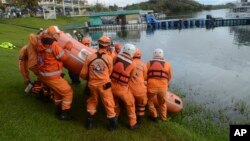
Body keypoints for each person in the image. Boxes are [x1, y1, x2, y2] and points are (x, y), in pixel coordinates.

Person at [80, 36, 117, 131]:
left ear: (98, 44)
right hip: (105, 85)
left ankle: (89, 123)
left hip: (92, 84)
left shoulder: (90, 57)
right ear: (108, 46)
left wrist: (91, 78)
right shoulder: (109, 58)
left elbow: (83, 74)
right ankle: (112, 125)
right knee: (108, 102)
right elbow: (110, 72)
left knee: (92, 101)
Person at [37, 26, 73, 120]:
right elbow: (64, 57)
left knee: (58, 92)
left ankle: (58, 110)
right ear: (54, 35)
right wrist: (68, 49)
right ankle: (65, 114)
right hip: (52, 76)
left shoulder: (40, 42)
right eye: (58, 34)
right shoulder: (54, 45)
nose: (59, 35)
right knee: (68, 92)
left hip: (43, 75)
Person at [111, 43, 139, 130]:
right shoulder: (133, 64)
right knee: (130, 103)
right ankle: (132, 124)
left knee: (115, 103)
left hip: (111, 86)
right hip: (122, 89)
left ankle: (116, 116)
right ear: (132, 52)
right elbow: (131, 77)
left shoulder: (115, 57)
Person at [147, 48, 173, 121]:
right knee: (163, 103)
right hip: (163, 88)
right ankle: (163, 118)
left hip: (151, 86)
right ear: (162, 55)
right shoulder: (168, 64)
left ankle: (154, 115)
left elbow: (145, 75)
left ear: (154, 55)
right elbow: (170, 76)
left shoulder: (149, 63)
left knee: (149, 101)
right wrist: (166, 83)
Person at [128, 48, 148, 124]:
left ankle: (131, 118)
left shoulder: (129, 62)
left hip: (130, 89)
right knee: (142, 104)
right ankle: (140, 119)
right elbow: (145, 77)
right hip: (141, 90)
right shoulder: (144, 64)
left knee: (130, 104)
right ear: (140, 56)